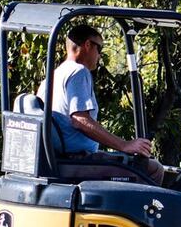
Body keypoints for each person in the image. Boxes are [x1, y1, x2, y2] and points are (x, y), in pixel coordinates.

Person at [41, 23, 165, 184]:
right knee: (154, 168)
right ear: (87, 45)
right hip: (78, 161)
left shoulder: (54, 75)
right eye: (99, 49)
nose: (99, 56)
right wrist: (124, 145)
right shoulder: (79, 71)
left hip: (63, 159)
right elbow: (80, 120)